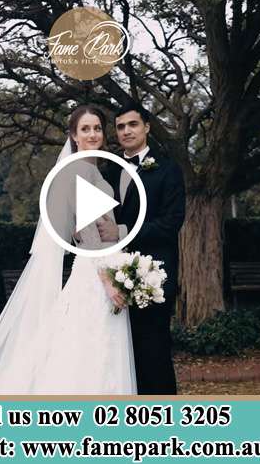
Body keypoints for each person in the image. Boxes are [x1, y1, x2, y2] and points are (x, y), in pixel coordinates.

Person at [0, 105, 137, 395]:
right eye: (85, 129)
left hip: (103, 266)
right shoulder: (78, 170)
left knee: (86, 349)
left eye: (97, 128)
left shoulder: (92, 169)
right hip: (96, 275)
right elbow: (87, 235)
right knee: (87, 349)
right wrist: (108, 280)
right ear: (74, 136)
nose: (92, 134)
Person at [97, 102, 186, 395]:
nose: (126, 131)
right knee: (120, 356)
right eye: (120, 126)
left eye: (132, 124)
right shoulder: (108, 171)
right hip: (113, 277)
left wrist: (122, 231)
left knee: (154, 353)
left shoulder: (168, 169)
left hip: (154, 276)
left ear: (146, 127)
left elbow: (171, 223)